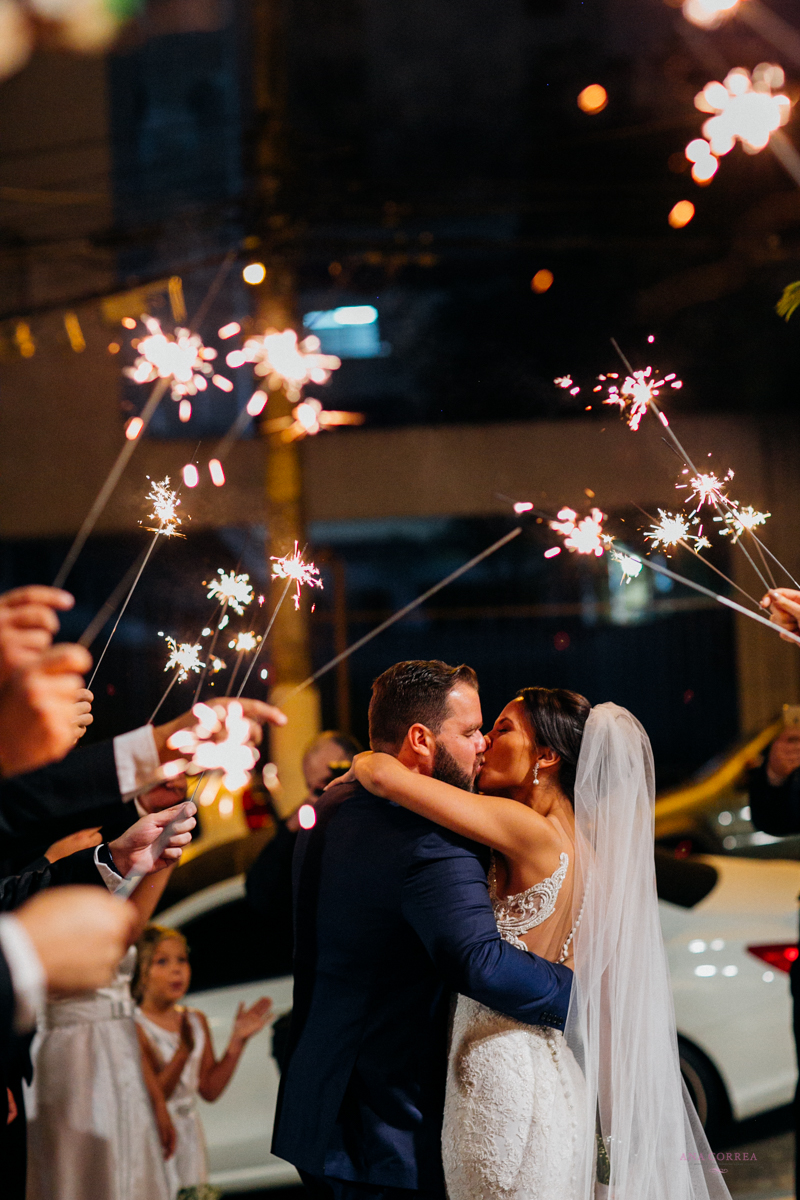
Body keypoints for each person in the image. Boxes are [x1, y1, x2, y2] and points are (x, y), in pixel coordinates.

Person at [272, 660, 573, 1200]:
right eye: (469, 731)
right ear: (420, 738)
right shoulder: (429, 835)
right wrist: (583, 993)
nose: (481, 744)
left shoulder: (333, 804)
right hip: (389, 1129)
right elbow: (478, 961)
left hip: (319, 1107)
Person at [25, 787, 197, 1200]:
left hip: (117, 1045)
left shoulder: (112, 862)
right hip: (70, 1050)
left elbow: (129, 928)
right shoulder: (47, 865)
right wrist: (52, 861)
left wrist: (164, 857)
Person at [246, 730, 361, 1068]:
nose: (323, 794)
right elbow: (260, 893)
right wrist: (289, 831)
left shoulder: (380, 818)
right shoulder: (309, 832)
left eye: (331, 780)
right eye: (314, 788)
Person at [133, 923, 272, 1197]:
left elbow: (208, 1088)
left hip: (189, 1135)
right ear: (142, 973)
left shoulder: (195, 1020)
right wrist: (182, 1052)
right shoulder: (134, 1026)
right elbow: (156, 1096)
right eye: (162, 961)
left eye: (182, 960)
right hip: (154, 1133)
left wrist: (237, 1043)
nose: (177, 970)